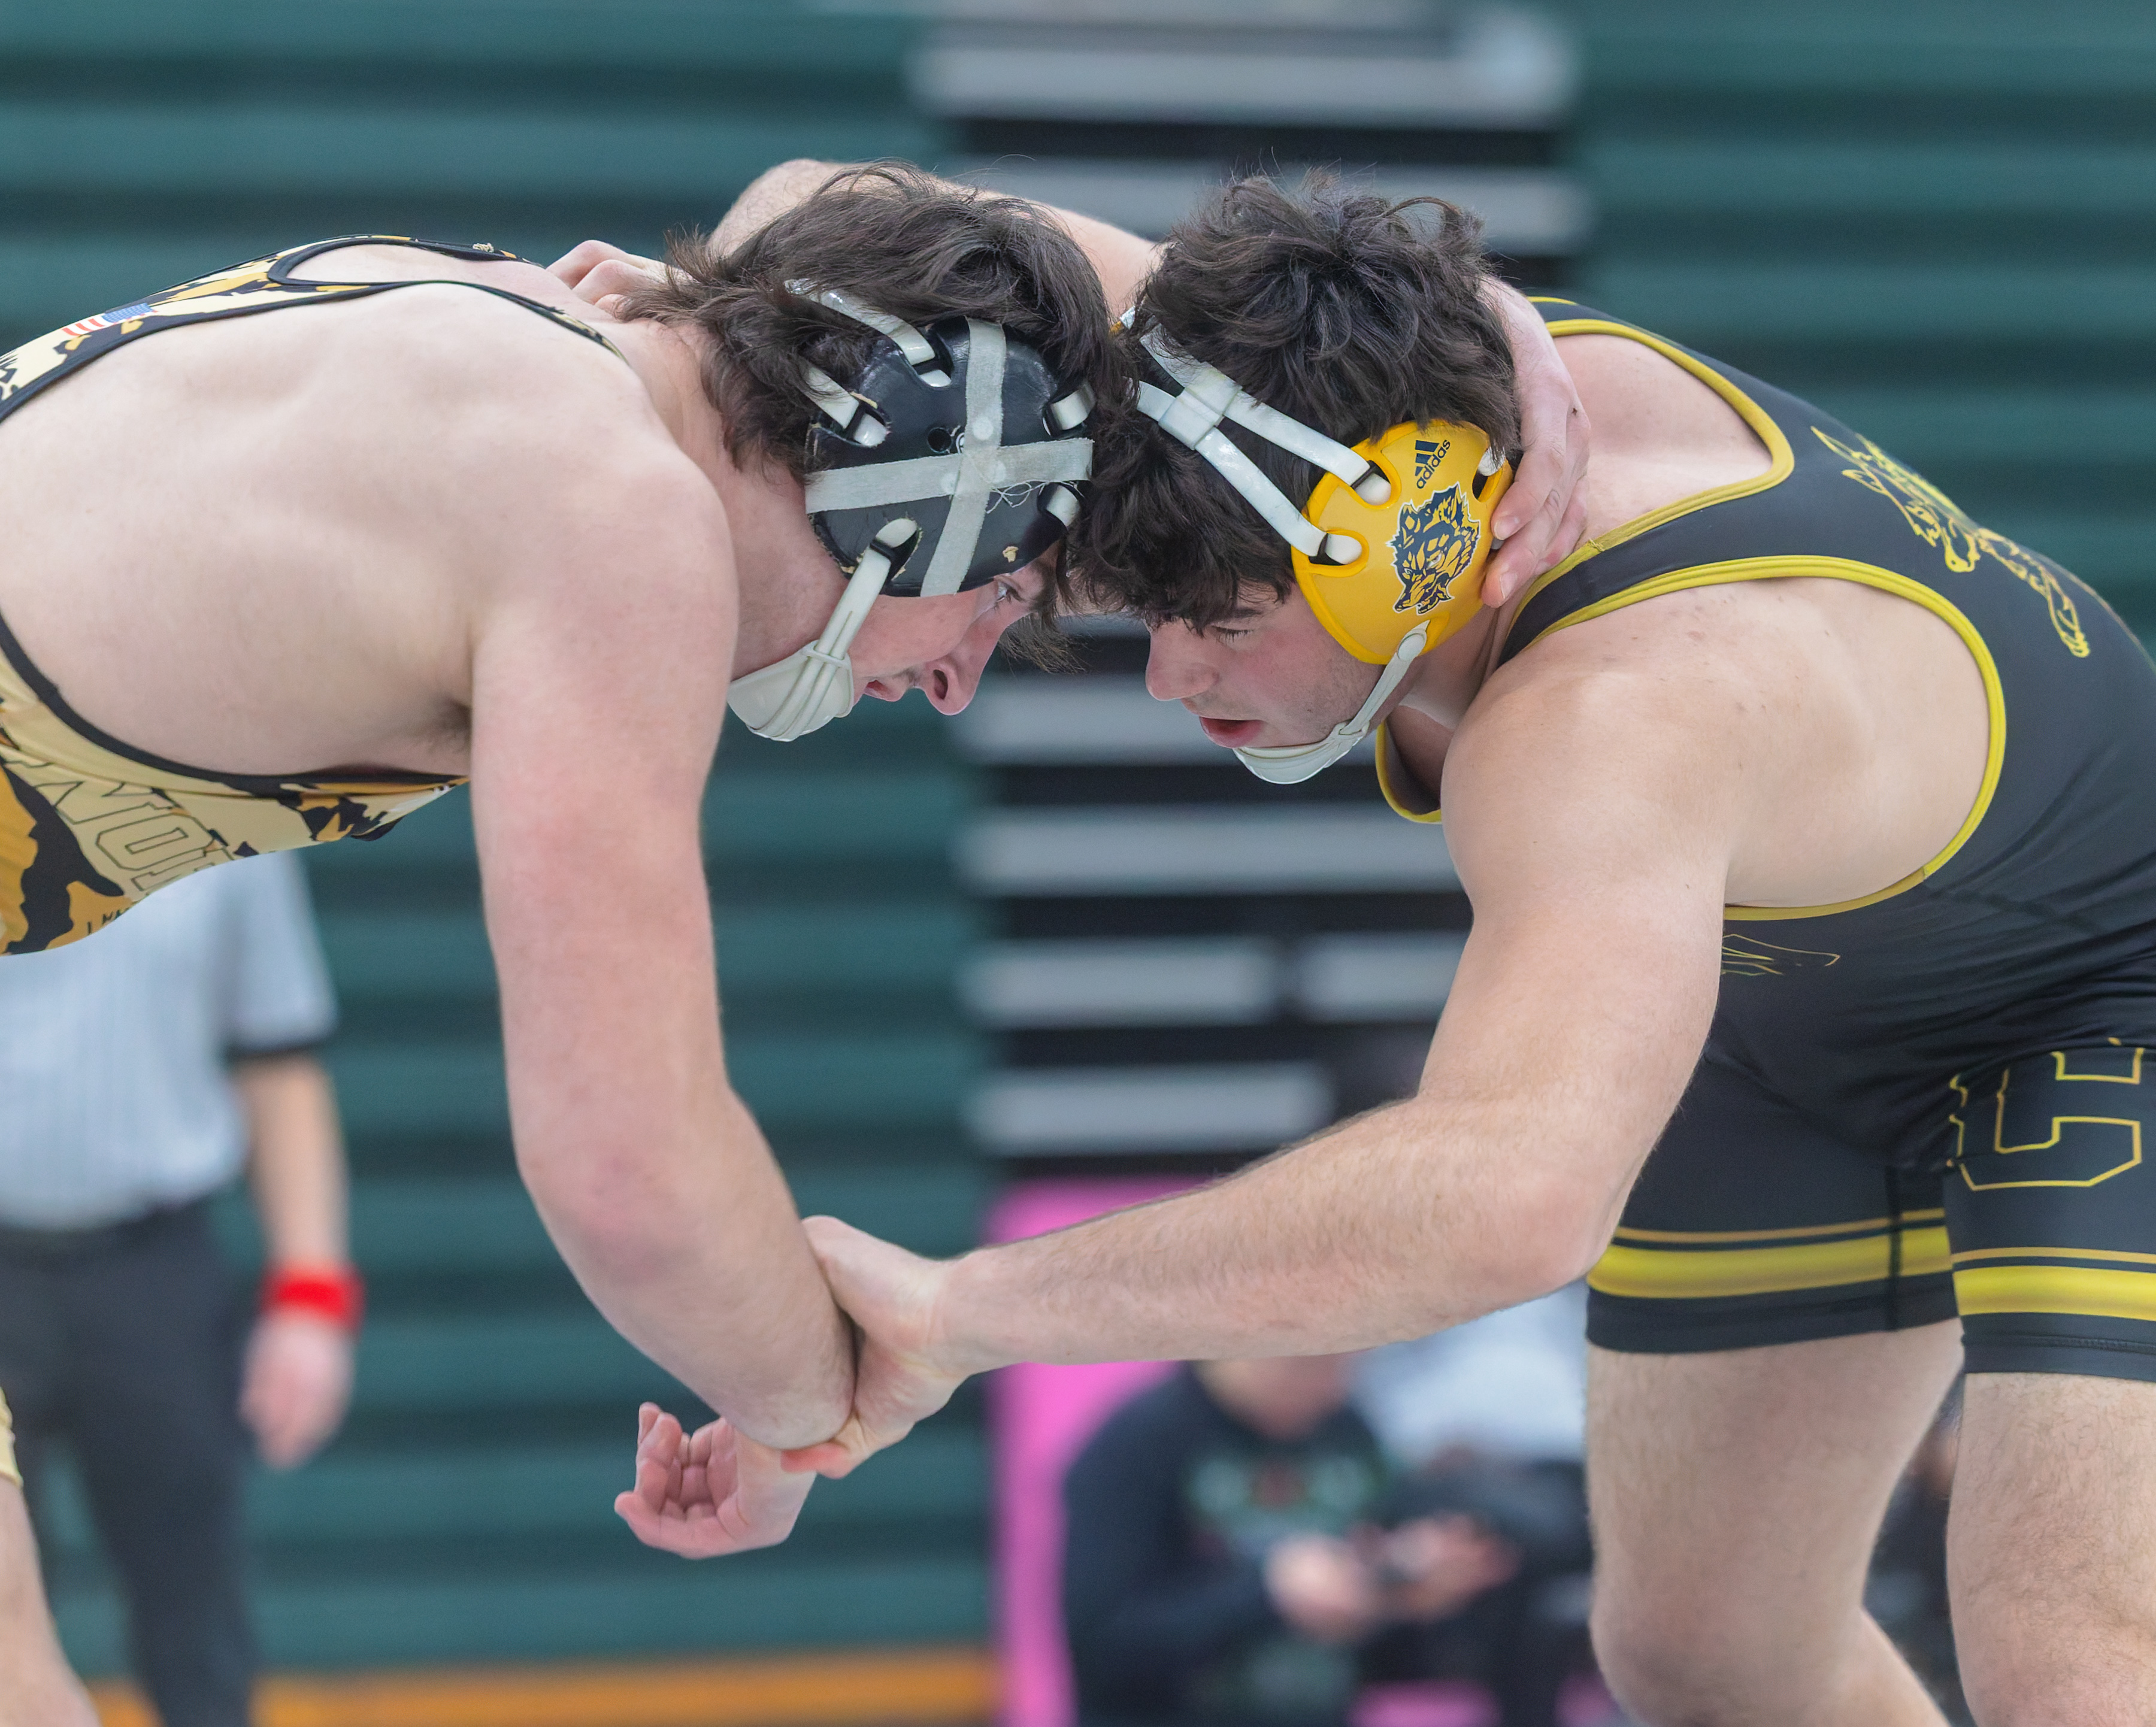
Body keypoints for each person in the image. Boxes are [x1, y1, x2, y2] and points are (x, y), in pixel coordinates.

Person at [0, 157, 1591, 1710]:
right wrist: (813, 1407)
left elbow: (822, 197)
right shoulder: (615, 518)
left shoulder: (508, 316)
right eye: (1000, 600)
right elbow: (629, 1172)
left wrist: (1448, 328)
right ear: (912, 495)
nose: (962, 678)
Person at [746, 176, 2156, 1726]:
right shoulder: (1323, 398)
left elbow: (1508, 1206)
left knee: (2074, 1672)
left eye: (1216, 618)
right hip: (1779, 996)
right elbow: (810, 201)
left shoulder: (1610, 717)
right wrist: (676, 338)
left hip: (2097, 991)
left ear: (1387, 547)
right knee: (1706, 1654)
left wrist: (965, 1311)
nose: (1165, 677)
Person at [0, 851, 354, 1727]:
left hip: (152, 1275)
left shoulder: (223, 795)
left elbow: (280, 1055)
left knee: (195, 1619)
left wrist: (312, 1299)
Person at [1062, 1353, 1519, 1727]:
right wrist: (1268, 1594)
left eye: (1345, 1361)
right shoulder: (1140, 1442)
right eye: (1308, 1361)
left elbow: (1380, 1651)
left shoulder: (1344, 1432)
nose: (1330, 1384)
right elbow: (1103, 1648)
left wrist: (1400, 1595)